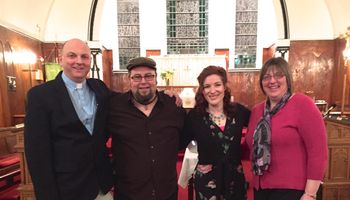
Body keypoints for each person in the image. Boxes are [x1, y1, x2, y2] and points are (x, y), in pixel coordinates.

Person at [24, 38, 114, 200]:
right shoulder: (41, 95)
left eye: (84, 57)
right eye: (72, 56)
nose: (79, 61)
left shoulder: (99, 87)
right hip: (66, 188)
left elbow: (125, 100)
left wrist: (161, 95)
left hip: (101, 185)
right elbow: (37, 152)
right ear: (61, 60)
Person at [244, 57, 328, 200]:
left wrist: (310, 194)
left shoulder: (303, 105)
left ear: (288, 79)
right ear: (261, 83)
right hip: (261, 188)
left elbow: (318, 152)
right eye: (266, 77)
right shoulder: (257, 111)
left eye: (278, 75)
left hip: (294, 190)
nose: (272, 81)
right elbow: (249, 147)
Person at [106, 57, 187, 200]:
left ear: (156, 79)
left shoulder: (173, 107)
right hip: (129, 194)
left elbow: (183, 140)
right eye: (137, 77)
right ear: (129, 80)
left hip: (166, 193)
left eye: (149, 76)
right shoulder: (114, 107)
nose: (143, 81)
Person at [183, 66, 251, 199]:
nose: (212, 91)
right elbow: (177, 141)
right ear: (202, 90)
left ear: (224, 87)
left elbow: (260, 124)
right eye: (207, 86)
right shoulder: (194, 116)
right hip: (207, 182)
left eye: (217, 85)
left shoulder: (239, 111)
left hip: (234, 179)